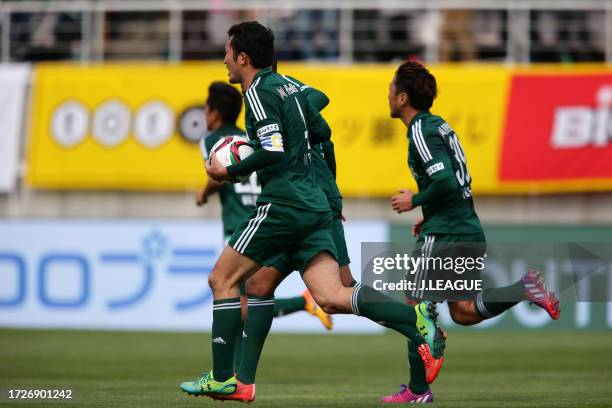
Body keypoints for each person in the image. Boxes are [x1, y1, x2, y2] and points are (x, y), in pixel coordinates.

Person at [180, 21, 444, 403]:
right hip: (315, 203)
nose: (223, 60)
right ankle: (416, 322)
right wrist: (329, 193)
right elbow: (322, 126)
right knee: (330, 295)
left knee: (221, 280)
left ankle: (223, 377)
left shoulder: (257, 94)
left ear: (243, 57)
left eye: (227, 52)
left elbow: (272, 150)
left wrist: (228, 169)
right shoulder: (290, 88)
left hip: (285, 203)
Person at [384, 60, 560, 403]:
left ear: (403, 98)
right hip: (464, 225)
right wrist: (431, 210)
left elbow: (446, 180)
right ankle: (523, 288)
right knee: (463, 311)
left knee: (416, 305)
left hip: (447, 232)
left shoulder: (421, 129)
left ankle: (419, 390)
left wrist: (415, 200)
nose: (387, 95)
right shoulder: (439, 127)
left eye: (391, 90)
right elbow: (455, 182)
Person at [196, 81, 335, 372]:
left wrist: (204, 192)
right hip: (263, 215)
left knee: (235, 296)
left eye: (206, 110)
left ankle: (232, 372)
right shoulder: (249, 135)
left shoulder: (212, 143)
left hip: (240, 225)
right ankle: (238, 372)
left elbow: (218, 175)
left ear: (214, 113)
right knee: (249, 293)